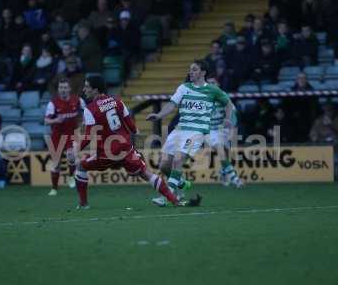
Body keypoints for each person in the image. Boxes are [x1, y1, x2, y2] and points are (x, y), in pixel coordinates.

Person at [71, 76, 199, 209]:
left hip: (107, 152)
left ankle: (83, 204)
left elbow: (88, 137)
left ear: (95, 90)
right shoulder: (118, 101)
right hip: (125, 148)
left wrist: (75, 150)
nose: (84, 89)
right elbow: (132, 128)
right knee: (147, 174)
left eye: (87, 86)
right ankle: (174, 200)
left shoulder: (90, 109)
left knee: (81, 166)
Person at [146, 61, 235, 206]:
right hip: (179, 130)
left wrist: (227, 119)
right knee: (163, 165)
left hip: (197, 132)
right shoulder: (184, 88)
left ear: (203, 72)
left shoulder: (213, 90)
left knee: (178, 160)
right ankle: (182, 183)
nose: (191, 72)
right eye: (190, 70)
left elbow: (228, 104)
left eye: (194, 70)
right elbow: (171, 104)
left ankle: (167, 197)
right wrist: (159, 115)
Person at [44, 78, 85, 196]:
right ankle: (54, 188)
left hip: (72, 134)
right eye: (61, 88)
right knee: (56, 163)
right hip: (57, 136)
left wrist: (83, 123)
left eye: (65, 87)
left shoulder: (78, 100)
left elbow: (85, 113)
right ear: (58, 89)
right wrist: (56, 119)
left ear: (69, 89)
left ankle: (71, 176)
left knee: (71, 157)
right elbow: (46, 121)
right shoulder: (53, 103)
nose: (63, 90)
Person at [207, 78, 243, 188]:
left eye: (213, 82)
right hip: (209, 130)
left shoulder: (223, 96)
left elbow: (233, 114)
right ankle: (235, 179)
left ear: (218, 84)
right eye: (209, 83)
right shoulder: (203, 97)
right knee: (220, 150)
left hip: (223, 128)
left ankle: (223, 173)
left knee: (226, 152)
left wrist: (232, 128)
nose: (211, 85)